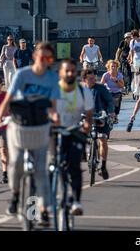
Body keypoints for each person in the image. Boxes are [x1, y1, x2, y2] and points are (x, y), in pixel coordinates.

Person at [0, 42, 60, 226]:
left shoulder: (52, 78)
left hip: (40, 127)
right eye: (41, 56)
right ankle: (15, 195)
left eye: (48, 57)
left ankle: (44, 210)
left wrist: (56, 120)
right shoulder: (23, 74)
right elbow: (9, 98)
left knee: (41, 170)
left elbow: (53, 107)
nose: (43, 60)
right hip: (19, 126)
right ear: (34, 56)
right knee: (15, 164)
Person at [56, 59, 94, 216]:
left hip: (74, 131)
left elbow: (89, 114)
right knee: (54, 165)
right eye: (67, 71)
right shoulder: (54, 90)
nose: (70, 73)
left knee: (75, 167)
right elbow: (47, 110)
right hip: (56, 131)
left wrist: (86, 125)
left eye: (73, 71)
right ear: (61, 73)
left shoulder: (83, 91)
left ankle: (76, 201)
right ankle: (54, 195)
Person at [81, 69, 115, 180]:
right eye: (90, 79)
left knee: (102, 139)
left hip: (101, 116)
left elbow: (110, 101)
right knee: (78, 134)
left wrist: (110, 112)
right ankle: (83, 155)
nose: (93, 80)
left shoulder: (101, 88)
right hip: (86, 117)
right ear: (84, 79)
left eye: (94, 78)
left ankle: (103, 166)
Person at [101, 60, 125, 124]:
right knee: (107, 102)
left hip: (117, 92)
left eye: (115, 66)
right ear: (109, 67)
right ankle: (108, 116)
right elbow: (101, 85)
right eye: (112, 66)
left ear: (117, 67)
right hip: (108, 92)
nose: (113, 68)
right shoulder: (106, 75)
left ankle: (115, 116)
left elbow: (122, 86)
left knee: (116, 104)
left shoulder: (119, 75)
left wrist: (116, 81)